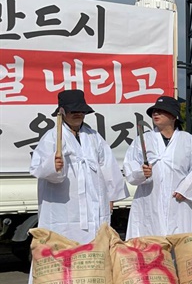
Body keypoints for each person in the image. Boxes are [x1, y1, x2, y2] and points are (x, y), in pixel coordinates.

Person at [30, 89, 129, 245]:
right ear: (62, 112)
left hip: (94, 201)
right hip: (63, 205)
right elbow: (38, 168)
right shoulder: (52, 137)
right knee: (63, 245)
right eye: (72, 111)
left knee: (94, 246)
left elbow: (108, 166)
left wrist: (111, 195)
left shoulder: (93, 136)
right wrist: (53, 166)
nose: (77, 114)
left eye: (81, 111)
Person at [123, 96, 192, 239]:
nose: (156, 114)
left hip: (178, 199)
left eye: (162, 111)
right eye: (155, 111)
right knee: (149, 239)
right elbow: (130, 165)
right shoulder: (143, 140)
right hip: (149, 198)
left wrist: (185, 189)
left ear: (174, 116)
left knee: (179, 240)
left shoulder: (188, 140)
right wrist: (142, 173)